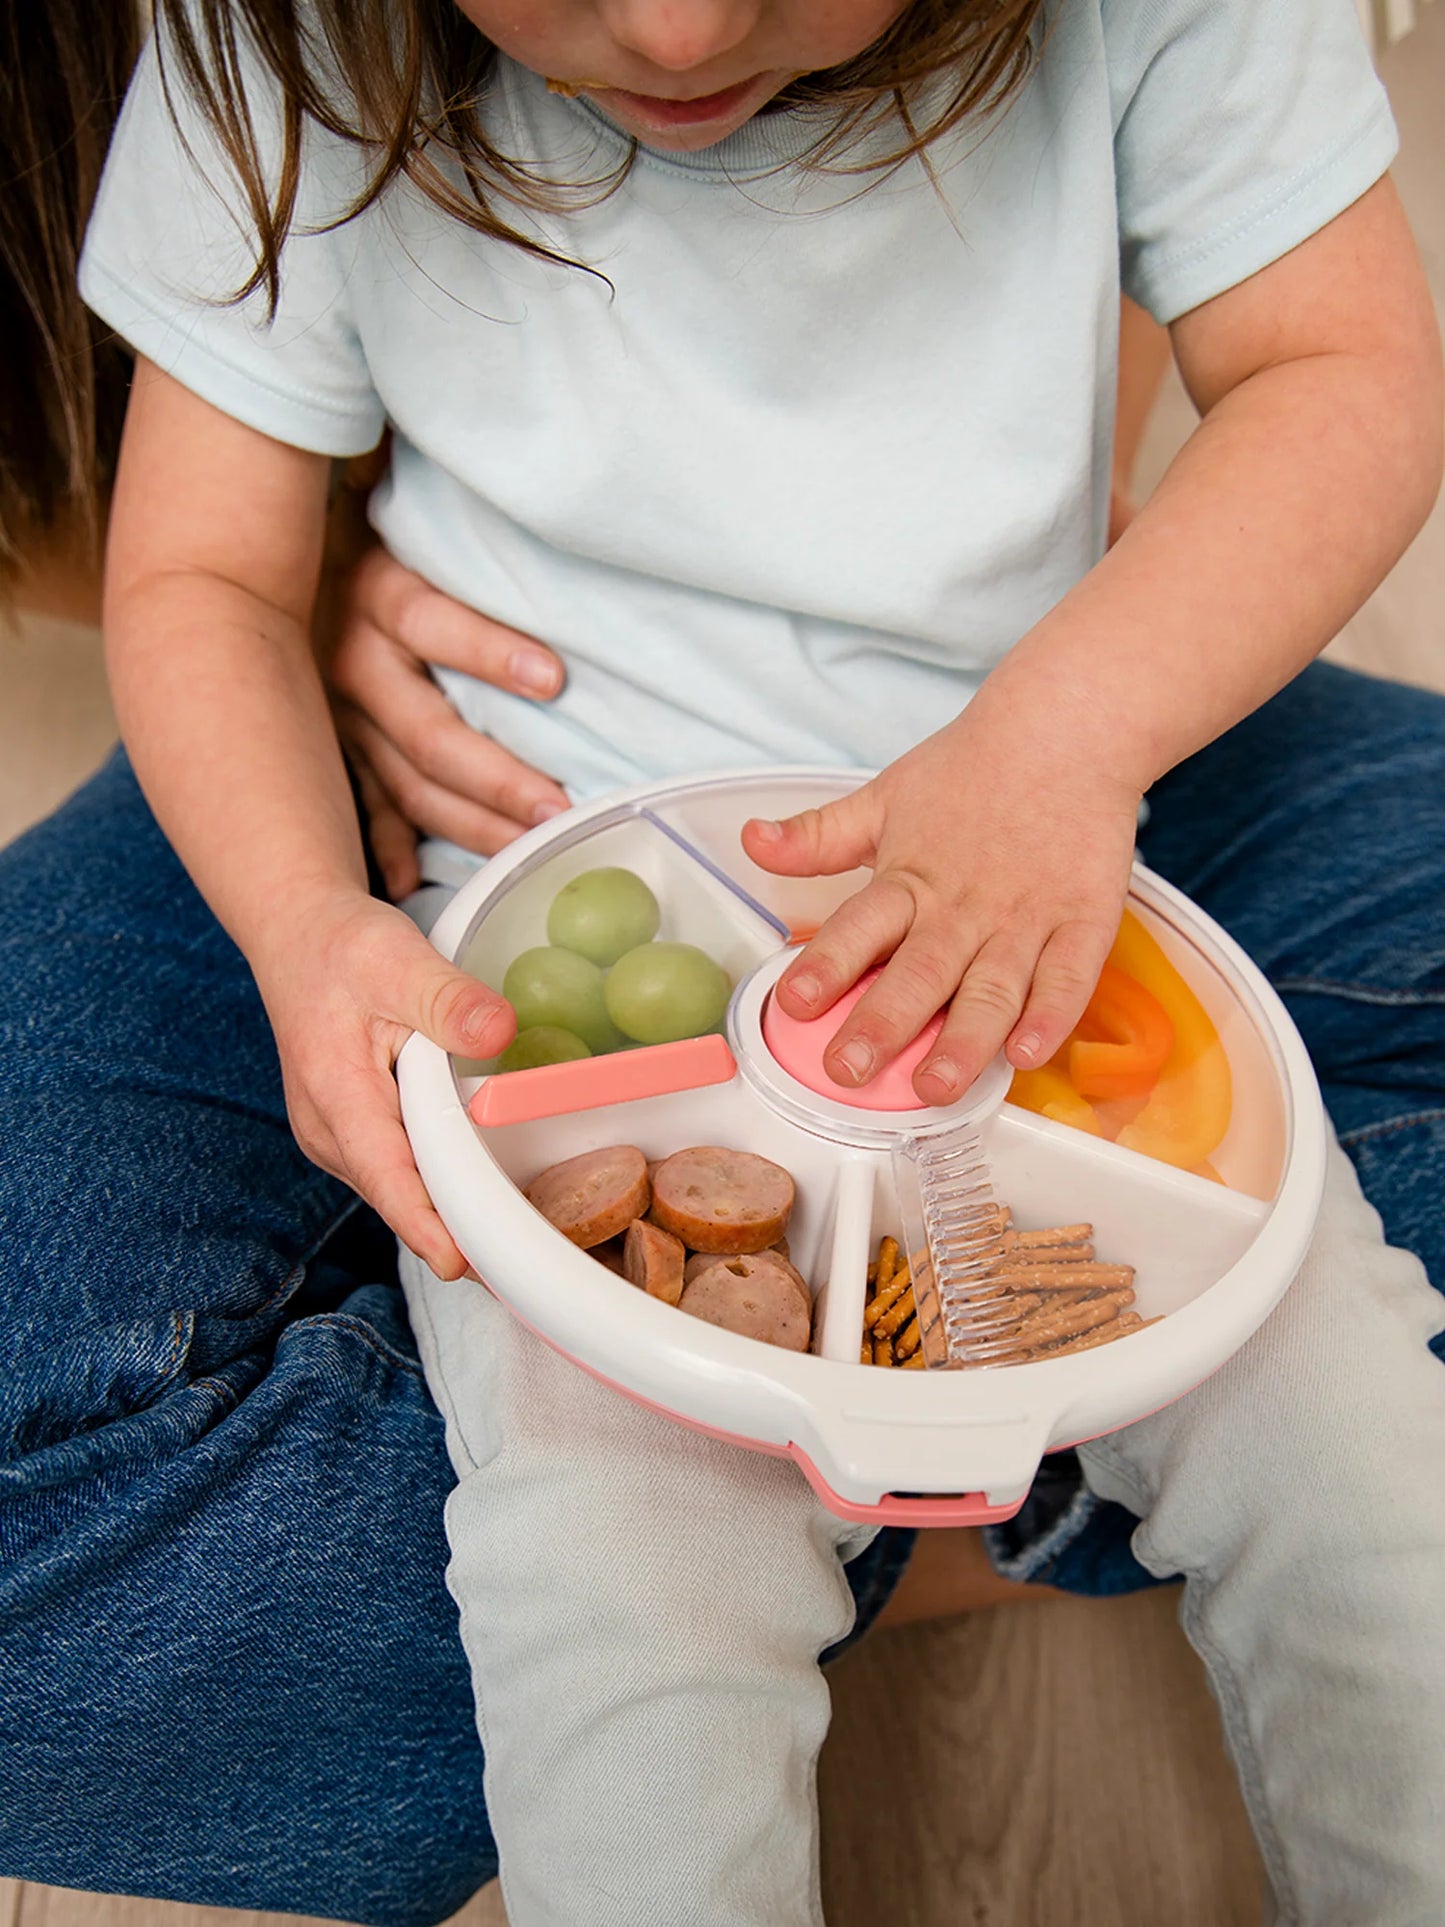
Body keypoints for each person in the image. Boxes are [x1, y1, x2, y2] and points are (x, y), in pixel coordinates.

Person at [4, 6, 1445, 1927]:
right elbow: (203, 574)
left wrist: (1071, 739)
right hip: (518, 879)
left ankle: (926, 1484)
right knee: (621, 1612)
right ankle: (930, 1488)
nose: (677, 30)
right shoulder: (270, 43)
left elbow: (1337, 365)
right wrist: (299, 921)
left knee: (1362, 1472)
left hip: (1039, 860)